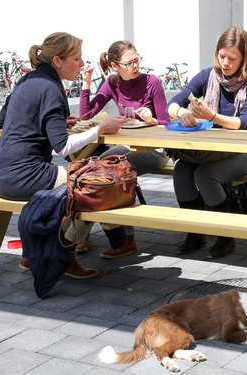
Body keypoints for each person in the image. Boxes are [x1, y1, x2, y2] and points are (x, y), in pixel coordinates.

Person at [0, 32, 127, 278]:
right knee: (89, 186)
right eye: (77, 58)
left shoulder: (27, 79)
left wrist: (54, 121)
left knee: (78, 180)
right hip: (25, 176)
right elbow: (62, 148)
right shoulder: (52, 88)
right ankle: (64, 257)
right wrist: (100, 130)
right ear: (58, 61)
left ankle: (32, 255)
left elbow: (1, 120)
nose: (82, 64)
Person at [167, 26, 247, 259]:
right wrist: (182, 113)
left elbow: (245, 122)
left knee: (204, 175)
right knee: (181, 171)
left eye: (232, 58)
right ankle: (195, 233)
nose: (226, 63)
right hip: (209, 150)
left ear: (244, 58)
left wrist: (211, 117)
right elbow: (172, 104)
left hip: (244, 152)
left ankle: (224, 237)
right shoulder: (206, 75)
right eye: (222, 56)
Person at [78, 40, 170, 258]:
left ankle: (126, 240)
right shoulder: (112, 83)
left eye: (137, 60)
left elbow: (167, 123)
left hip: (156, 150)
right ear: (114, 65)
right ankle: (82, 231)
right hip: (127, 146)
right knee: (92, 168)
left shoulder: (152, 82)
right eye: (129, 63)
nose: (135, 66)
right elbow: (85, 116)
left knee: (117, 169)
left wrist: (154, 120)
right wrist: (86, 82)